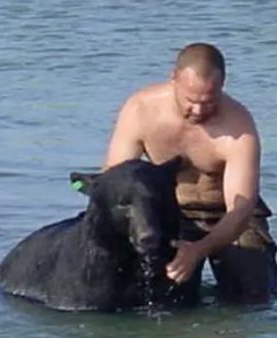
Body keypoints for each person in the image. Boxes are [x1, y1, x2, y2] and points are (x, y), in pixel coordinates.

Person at [103, 42, 276, 303]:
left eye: (209, 102)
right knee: (159, 298)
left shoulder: (239, 126)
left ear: (223, 86)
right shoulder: (141, 110)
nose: (198, 110)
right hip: (172, 212)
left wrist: (198, 250)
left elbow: (241, 208)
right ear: (174, 78)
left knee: (254, 296)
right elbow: (116, 182)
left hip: (229, 217)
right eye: (191, 101)